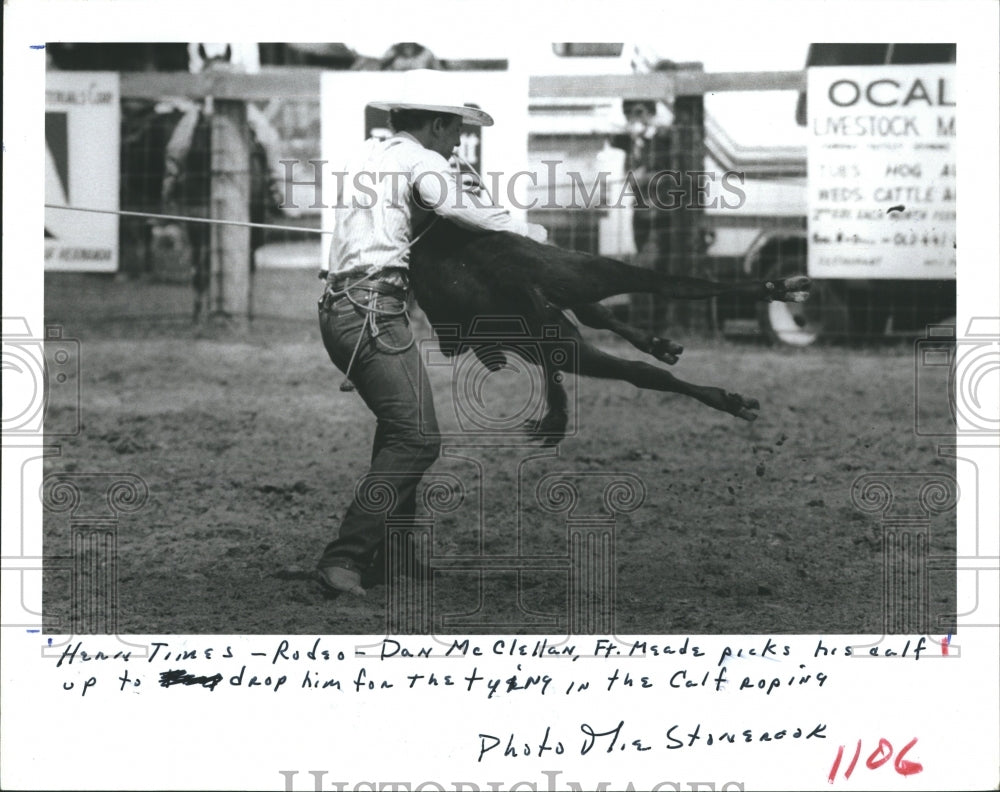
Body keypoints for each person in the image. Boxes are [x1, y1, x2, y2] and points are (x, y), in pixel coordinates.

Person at [316, 70, 547, 595]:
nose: (459, 140)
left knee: (400, 430)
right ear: (437, 124)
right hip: (371, 312)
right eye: (456, 129)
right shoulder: (423, 161)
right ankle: (345, 557)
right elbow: (456, 208)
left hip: (346, 309)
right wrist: (524, 231)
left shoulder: (368, 157)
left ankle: (391, 556)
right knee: (419, 438)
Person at [609, 99, 672, 261]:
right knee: (643, 256)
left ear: (651, 114)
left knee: (662, 260)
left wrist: (643, 177)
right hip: (641, 212)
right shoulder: (632, 144)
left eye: (638, 112)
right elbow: (630, 180)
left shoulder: (663, 141)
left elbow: (669, 177)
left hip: (662, 213)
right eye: (628, 114)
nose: (633, 119)